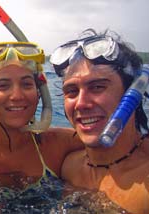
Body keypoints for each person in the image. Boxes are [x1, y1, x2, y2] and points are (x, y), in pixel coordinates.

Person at [0, 41, 83, 190]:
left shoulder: (62, 145)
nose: (17, 95)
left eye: (27, 84)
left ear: (38, 92)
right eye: (3, 85)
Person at [50, 28, 149, 213]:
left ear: (133, 94)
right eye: (71, 91)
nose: (81, 103)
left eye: (97, 87)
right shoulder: (69, 167)